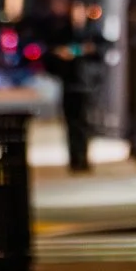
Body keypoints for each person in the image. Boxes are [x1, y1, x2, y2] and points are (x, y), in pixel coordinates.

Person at [44, 15, 105, 173]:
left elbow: (100, 51)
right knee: (71, 123)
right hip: (70, 85)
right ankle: (74, 159)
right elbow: (50, 57)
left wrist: (76, 51)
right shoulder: (63, 33)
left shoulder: (92, 32)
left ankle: (83, 158)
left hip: (86, 85)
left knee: (85, 124)